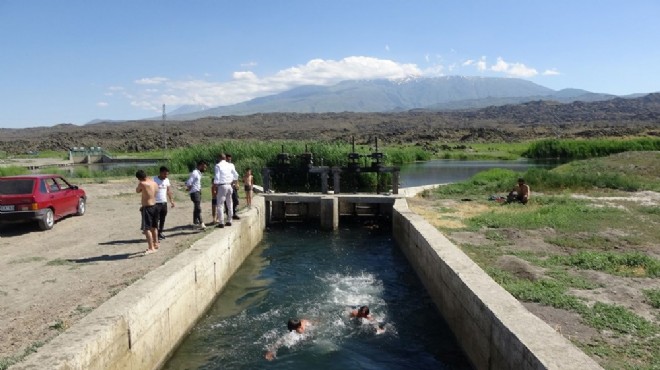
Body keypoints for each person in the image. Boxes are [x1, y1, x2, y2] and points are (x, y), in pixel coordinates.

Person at [136, 170, 159, 254]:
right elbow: (156, 192)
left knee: (146, 229)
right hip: (155, 205)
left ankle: (151, 248)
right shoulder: (154, 183)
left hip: (147, 207)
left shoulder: (142, 183)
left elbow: (137, 190)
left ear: (139, 178)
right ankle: (156, 243)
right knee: (154, 226)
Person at [214, 153, 239, 228]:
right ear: (225, 158)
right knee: (229, 203)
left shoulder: (218, 165)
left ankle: (221, 222)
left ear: (219, 158)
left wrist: (215, 185)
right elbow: (236, 175)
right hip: (230, 185)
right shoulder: (230, 165)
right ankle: (229, 220)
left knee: (220, 204)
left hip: (222, 185)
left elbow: (217, 177)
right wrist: (233, 181)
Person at [153, 166, 175, 240]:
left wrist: (171, 201)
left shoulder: (167, 180)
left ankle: (160, 232)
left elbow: (168, 191)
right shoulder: (154, 180)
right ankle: (155, 234)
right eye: (165, 174)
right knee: (156, 219)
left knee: (163, 219)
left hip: (164, 202)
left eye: (167, 174)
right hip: (156, 203)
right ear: (161, 172)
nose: (166, 176)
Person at [185, 160, 208, 230]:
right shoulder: (195, 173)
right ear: (200, 165)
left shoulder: (199, 173)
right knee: (198, 208)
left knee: (196, 207)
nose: (205, 169)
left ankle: (195, 223)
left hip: (197, 192)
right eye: (204, 167)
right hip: (195, 192)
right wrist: (189, 188)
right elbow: (189, 182)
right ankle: (201, 223)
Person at [226, 153, 240, 219]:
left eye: (230, 159)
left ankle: (233, 213)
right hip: (227, 184)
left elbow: (235, 175)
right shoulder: (223, 166)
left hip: (233, 185)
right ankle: (229, 215)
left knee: (236, 200)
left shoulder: (232, 165)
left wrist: (237, 183)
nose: (229, 160)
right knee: (227, 200)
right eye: (228, 159)